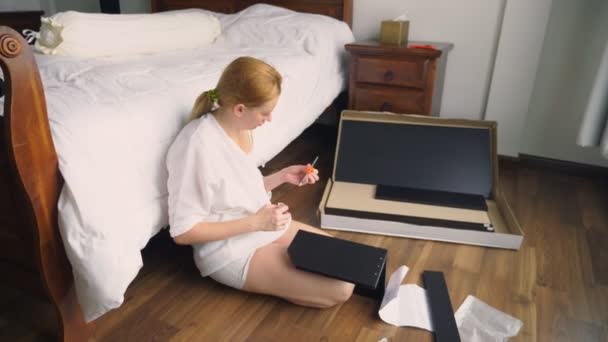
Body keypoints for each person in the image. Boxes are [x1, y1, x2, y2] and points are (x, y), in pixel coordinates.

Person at [166, 56, 354, 308]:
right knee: (341, 288)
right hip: (229, 250)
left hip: (263, 225)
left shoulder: (239, 126)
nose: (270, 119)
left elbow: (232, 191)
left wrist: (282, 176)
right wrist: (256, 222)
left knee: (347, 262)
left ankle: (286, 280)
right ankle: (281, 282)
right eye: (265, 113)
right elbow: (183, 232)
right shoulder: (197, 146)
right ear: (240, 108)